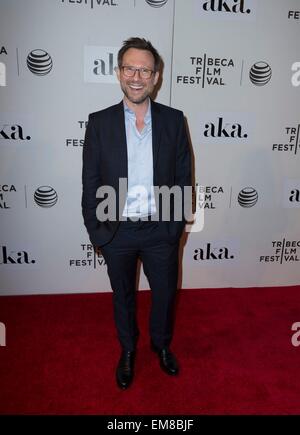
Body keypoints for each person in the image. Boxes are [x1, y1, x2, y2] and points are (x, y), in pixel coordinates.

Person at [82, 37, 191, 389]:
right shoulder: (100, 122)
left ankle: (161, 346)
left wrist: (174, 229)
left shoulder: (175, 121)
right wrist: (98, 231)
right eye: (130, 68)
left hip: (161, 229)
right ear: (118, 73)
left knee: (164, 294)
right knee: (123, 295)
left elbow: (182, 177)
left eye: (145, 69)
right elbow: (91, 181)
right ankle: (128, 350)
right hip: (118, 230)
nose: (137, 76)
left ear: (156, 76)